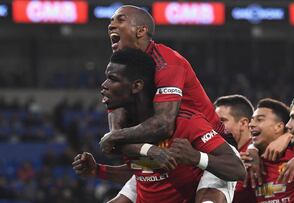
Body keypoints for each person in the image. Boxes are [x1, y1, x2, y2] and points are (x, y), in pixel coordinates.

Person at [74, 49, 245, 203]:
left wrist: (195, 157)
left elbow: (238, 170)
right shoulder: (123, 127)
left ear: (137, 86)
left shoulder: (186, 121)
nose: (104, 85)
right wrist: (98, 170)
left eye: (112, 79)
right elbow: (143, 173)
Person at [100, 5, 225, 155]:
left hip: (210, 144)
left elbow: (163, 125)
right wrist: (117, 138)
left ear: (141, 31)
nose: (111, 26)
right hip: (175, 147)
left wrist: (115, 137)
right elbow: (116, 119)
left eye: (120, 20)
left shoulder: (167, 63)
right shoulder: (120, 66)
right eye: (111, 21)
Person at [242, 98, 294, 202]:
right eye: (252, 120)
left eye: (259, 119)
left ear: (279, 126)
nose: (251, 124)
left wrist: (289, 135)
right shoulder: (248, 160)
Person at [214, 95, 257, 203]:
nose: (214, 127)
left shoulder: (260, 152)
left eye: (222, 121)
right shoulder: (219, 153)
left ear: (243, 123)